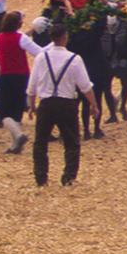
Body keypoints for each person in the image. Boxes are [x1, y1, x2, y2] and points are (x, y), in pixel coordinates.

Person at [28, 20, 96, 187]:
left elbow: (32, 85)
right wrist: (93, 104)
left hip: (46, 103)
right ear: (65, 38)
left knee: (40, 142)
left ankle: (41, 177)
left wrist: (31, 105)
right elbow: (85, 86)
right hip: (67, 104)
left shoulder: (41, 58)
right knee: (71, 141)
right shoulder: (74, 59)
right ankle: (68, 176)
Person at [0, 10, 32, 153]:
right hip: (22, 77)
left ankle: (19, 136)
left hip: (6, 76)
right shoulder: (22, 38)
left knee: (3, 113)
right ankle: (16, 145)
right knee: (16, 111)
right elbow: (39, 52)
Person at [69, 10, 113, 138]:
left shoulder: (75, 35)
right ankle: (96, 129)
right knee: (97, 99)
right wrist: (100, 8)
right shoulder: (94, 33)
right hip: (97, 69)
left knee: (83, 101)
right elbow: (101, 25)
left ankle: (86, 131)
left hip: (81, 69)